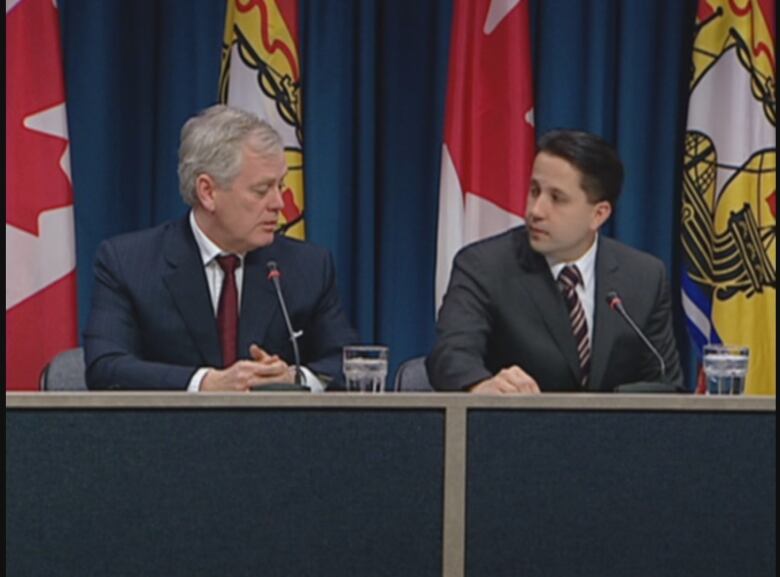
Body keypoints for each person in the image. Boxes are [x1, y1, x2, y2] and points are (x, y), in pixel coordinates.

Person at [84, 105, 357, 391]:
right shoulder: (129, 263)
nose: (279, 203)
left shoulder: (308, 266)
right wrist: (205, 383)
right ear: (208, 192)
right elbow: (106, 367)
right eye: (262, 190)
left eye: (280, 186)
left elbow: (348, 364)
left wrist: (293, 379)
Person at [427, 130, 683, 394]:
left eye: (557, 199)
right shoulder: (484, 266)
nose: (536, 211)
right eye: (534, 191)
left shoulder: (645, 278)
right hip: (517, 431)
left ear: (599, 214)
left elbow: (665, 383)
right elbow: (450, 354)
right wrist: (481, 386)